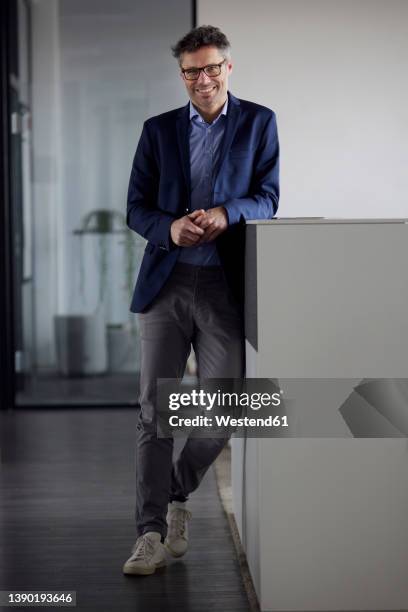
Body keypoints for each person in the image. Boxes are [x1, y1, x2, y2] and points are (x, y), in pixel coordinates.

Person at [122, 25, 279, 575]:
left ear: (228, 68)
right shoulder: (158, 130)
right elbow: (136, 208)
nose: (203, 79)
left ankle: (174, 494)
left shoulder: (259, 122)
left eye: (212, 68)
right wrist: (170, 228)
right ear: (182, 74)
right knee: (154, 412)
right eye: (192, 71)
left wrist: (225, 214)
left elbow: (268, 197)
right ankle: (149, 534)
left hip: (223, 286)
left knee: (228, 406)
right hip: (166, 284)